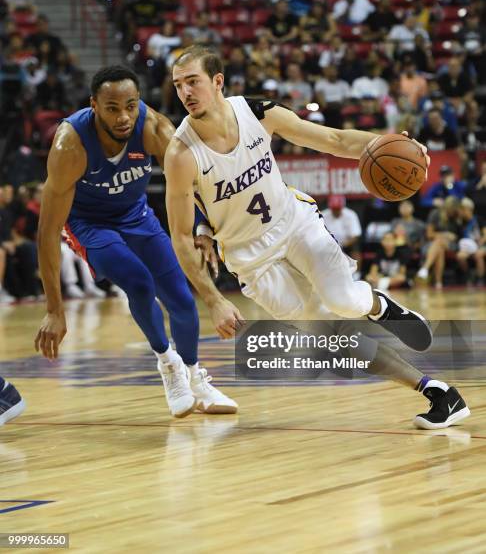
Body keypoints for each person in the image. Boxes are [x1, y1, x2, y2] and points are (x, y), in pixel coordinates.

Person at [165, 45, 470, 429]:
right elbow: (179, 236)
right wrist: (212, 299)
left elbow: (336, 141)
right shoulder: (181, 153)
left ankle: (379, 305)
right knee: (331, 337)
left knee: (342, 299)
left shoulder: (258, 112)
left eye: (193, 82)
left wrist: (395, 144)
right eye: (178, 86)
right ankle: (437, 392)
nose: (186, 93)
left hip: (294, 224)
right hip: (249, 258)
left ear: (218, 82)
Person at [35, 65, 236, 419]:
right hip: (88, 224)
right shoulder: (71, 145)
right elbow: (46, 233)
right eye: (112, 108)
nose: (124, 116)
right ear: (94, 105)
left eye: (130, 105)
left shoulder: (155, 128)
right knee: (139, 283)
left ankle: (195, 376)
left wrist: (204, 227)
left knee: (180, 296)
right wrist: (54, 309)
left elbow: (196, 181)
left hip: (136, 215)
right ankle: (167, 364)